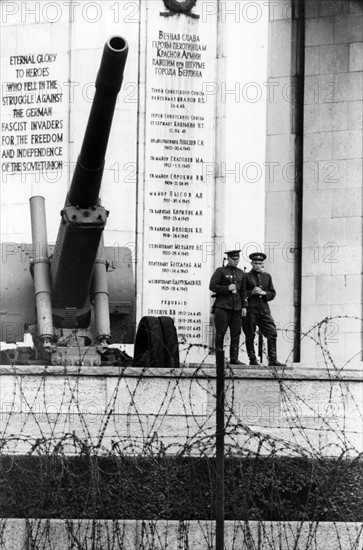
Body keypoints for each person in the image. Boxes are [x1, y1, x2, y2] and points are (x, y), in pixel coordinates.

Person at [242, 252, 284, 367]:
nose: (258, 266)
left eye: (260, 263)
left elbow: (272, 293)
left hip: (264, 310)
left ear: (263, 264)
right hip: (251, 310)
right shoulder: (246, 276)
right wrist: (251, 293)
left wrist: (264, 293)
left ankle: (273, 359)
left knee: (272, 333)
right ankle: (252, 359)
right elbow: (242, 293)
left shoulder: (267, 276)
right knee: (250, 334)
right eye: (255, 263)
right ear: (251, 263)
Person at [209, 249, 248, 365]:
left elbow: (243, 291)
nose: (236, 261)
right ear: (228, 259)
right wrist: (227, 288)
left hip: (236, 308)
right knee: (220, 332)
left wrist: (244, 306)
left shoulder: (241, 273)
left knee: (236, 334)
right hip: (223, 307)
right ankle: (219, 359)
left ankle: (234, 358)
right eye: (233, 259)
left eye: (237, 259)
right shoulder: (220, 271)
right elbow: (212, 286)